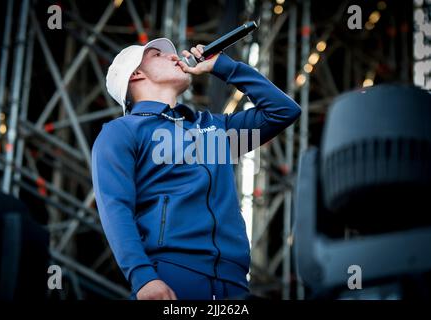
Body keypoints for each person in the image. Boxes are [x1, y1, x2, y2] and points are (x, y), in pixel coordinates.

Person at [92, 38, 301, 300]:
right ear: (136, 74)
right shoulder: (121, 131)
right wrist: (142, 277)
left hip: (233, 280)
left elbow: (283, 111)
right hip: (171, 273)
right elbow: (115, 207)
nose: (173, 56)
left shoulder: (214, 127)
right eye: (158, 55)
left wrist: (223, 66)